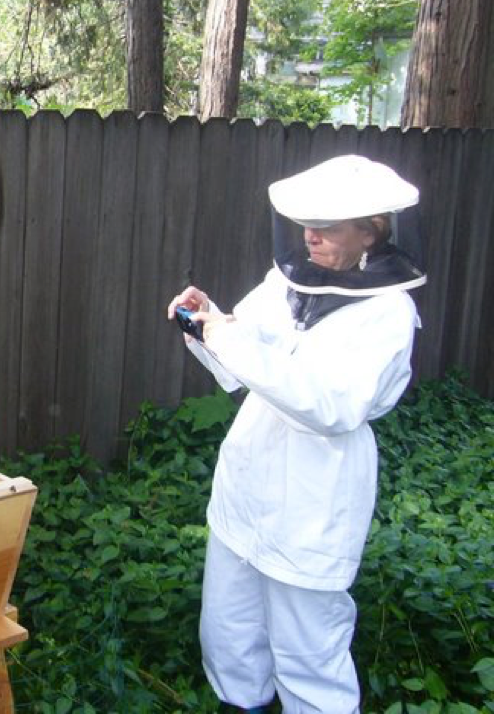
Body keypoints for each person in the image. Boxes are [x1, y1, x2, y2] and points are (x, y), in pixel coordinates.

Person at [168, 155, 426, 713]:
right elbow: (241, 361)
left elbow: (331, 405)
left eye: (327, 225)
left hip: (316, 496)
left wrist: (230, 339)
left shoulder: (388, 313)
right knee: (229, 632)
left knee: (308, 650)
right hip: (247, 481)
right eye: (307, 223)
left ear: (371, 230)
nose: (310, 236)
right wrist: (207, 319)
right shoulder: (286, 281)